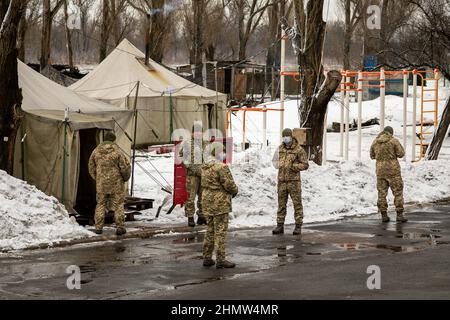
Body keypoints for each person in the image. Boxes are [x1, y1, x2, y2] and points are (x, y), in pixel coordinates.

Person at [201, 143, 238, 268]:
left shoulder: (205, 166)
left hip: (207, 202)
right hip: (220, 202)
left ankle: (207, 257)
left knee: (210, 230)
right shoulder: (221, 167)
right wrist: (235, 191)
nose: (224, 153)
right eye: (222, 151)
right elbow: (229, 185)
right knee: (220, 231)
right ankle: (220, 259)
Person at [88, 131, 131, 235]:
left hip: (101, 184)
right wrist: (125, 178)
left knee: (100, 204)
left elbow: (91, 166)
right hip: (116, 184)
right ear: (113, 140)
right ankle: (120, 227)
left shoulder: (96, 151)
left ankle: (98, 227)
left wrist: (97, 178)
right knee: (118, 204)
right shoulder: (118, 151)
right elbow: (124, 167)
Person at [272, 128, 309, 235]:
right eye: (283, 136)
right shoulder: (280, 149)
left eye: (287, 136)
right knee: (281, 204)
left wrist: (294, 166)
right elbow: (274, 160)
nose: (285, 138)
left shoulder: (298, 150)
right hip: (282, 181)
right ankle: (280, 225)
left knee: (297, 204)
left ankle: (298, 226)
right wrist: (278, 164)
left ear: (291, 136)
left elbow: (305, 164)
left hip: (294, 182)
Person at [370, 126, 407, 223]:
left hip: (380, 171)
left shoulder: (375, 142)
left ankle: (384, 215)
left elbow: (372, 156)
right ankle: (399, 215)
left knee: (381, 193)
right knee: (398, 192)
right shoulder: (393, 141)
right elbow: (401, 153)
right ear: (391, 133)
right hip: (393, 171)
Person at [180, 121, 207, 227]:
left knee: (203, 197)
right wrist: (190, 167)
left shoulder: (205, 143)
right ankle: (190, 217)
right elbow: (183, 158)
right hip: (192, 176)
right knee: (190, 198)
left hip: (204, 174)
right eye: (195, 132)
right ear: (192, 133)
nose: (198, 134)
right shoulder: (187, 144)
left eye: (199, 132)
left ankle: (201, 216)